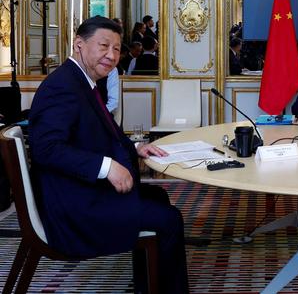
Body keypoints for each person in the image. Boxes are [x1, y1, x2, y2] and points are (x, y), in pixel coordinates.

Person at [28, 16, 189, 293]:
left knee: (158, 197)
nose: (112, 56)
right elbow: (46, 149)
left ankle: (148, 285)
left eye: (116, 49)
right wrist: (106, 167)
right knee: (169, 219)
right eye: (104, 46)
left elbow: (96, 135)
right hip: (72, 206)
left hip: (81, 191)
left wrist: (136, 149)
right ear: (79, 44)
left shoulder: (83, 81)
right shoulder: (62, 87)